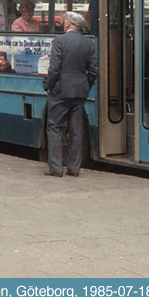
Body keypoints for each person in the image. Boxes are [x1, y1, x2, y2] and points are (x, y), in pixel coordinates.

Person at [42, 10, 98, 177]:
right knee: (76, 130)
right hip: (79, 92)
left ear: (67, 23)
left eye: (63, 21)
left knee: (54, 127)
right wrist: (85, 86)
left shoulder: (60, 41)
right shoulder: (89, 44)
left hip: (61, 91)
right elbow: (93, 71)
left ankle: (56, 167)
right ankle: (74, 168)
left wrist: (48, 85)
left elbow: (54, 69)